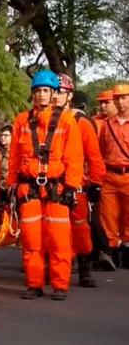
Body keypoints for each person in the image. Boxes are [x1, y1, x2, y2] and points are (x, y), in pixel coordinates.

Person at [8, 69, 84, 301]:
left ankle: (60, 285)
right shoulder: (22, 120)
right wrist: (10, 185)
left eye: (46, 91)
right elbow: (13, 157)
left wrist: (71, 187)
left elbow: (74, 157)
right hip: (28, 187)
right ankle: (34, 283)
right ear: (32, 94)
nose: (41, 95)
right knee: (32, 240)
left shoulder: (67, 122)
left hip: (57, 189)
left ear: (53, 94)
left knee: (59, 239)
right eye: (38, 91)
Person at [53, 75, 106, 287]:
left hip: (77, 184)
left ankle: (84, 266)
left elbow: (94, 156)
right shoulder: (44, 120)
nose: (55, 96)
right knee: (53, 231)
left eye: (60, 92)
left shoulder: (81, 122)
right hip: (51, 184)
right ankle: (55, 268)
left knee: (80, 227)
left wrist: (96, 183)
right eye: (53, 91)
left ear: (70, 96)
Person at [98, 84, 129, 270]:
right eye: (117, 98)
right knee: (107, 216)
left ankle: (126, 250)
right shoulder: (107, 125)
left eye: (124, 97)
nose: (120, 101)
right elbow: (101, 150)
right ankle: (109, 253)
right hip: (109, 175)